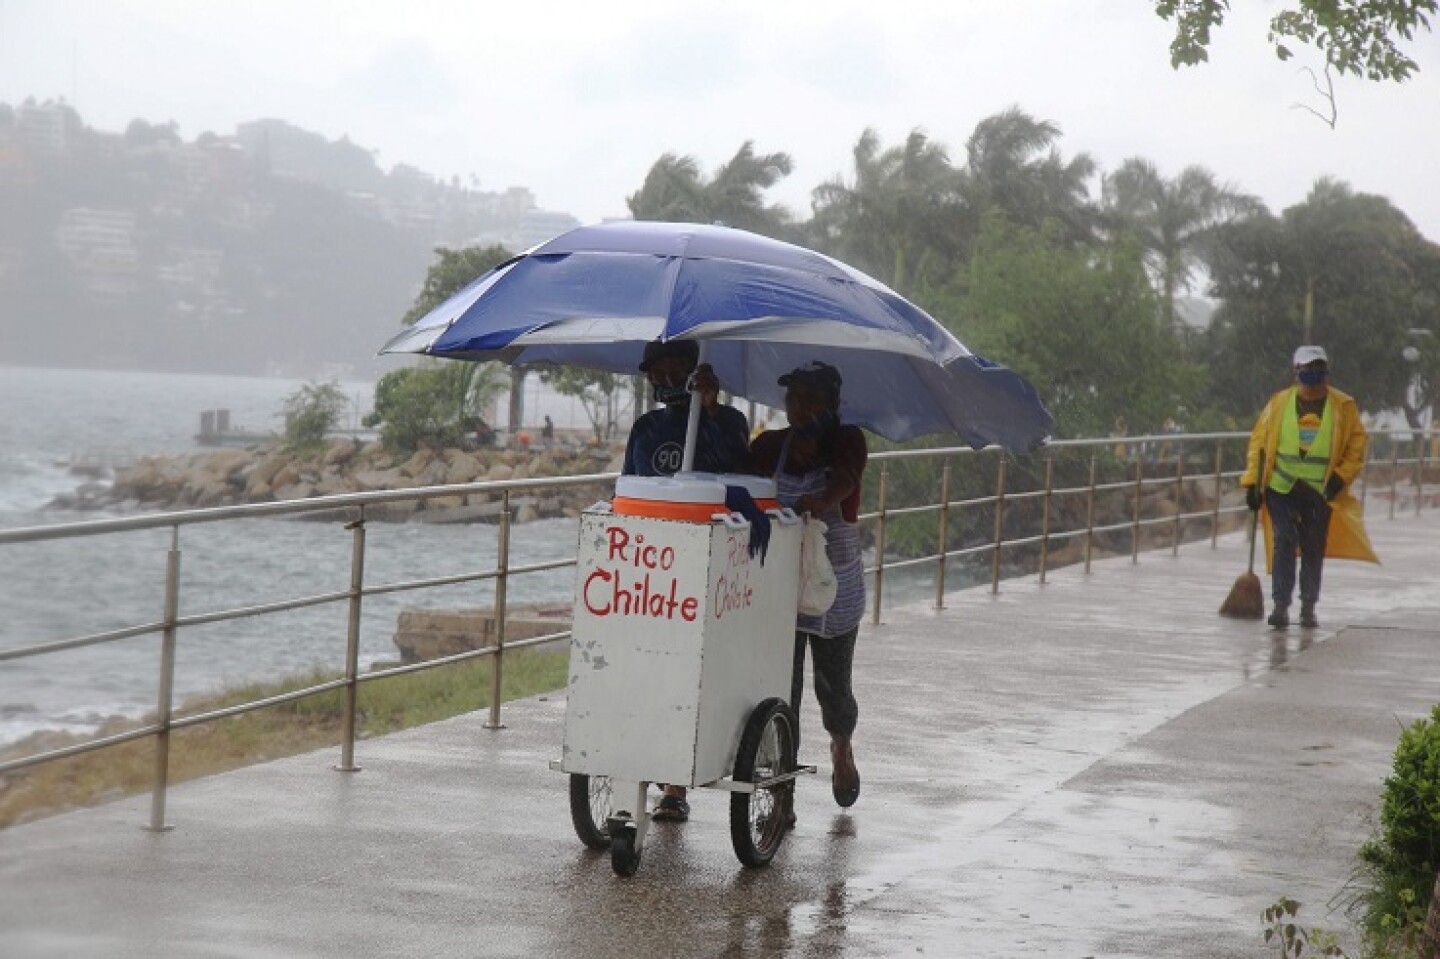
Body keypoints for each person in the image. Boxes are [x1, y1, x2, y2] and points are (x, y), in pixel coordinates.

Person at [624, 339, 750, 824]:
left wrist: (711, 412)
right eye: (654, 371)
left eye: (671, 369)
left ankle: (675, 786)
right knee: (648, 667)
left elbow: (739, 476)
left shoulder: (730, 422)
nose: (661, 379)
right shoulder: (646, 427)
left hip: (709, 562)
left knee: (690, 669)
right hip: (653, 568)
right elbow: (630, 489)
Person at [747, 361, 867, 817]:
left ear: (831, 404)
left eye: (809, 398)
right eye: (793, 398)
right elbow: (743, 483)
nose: (798, 408)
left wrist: (816, 496)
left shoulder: (848, 442)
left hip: (834, 588)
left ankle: (841, 745)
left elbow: (844, 482)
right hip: (780, 587)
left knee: (833, 690)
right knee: (783, 692)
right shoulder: (772, 445)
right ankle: (783, 795)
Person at [1239, 345, 1376, 629]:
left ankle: (1308, 606)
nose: (1313, 375)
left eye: (1318, 369)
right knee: (1285, 540)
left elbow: (1356, 447)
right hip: (1282, 487)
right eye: (1307, 369)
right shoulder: (1278, 404)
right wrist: (1252, 483)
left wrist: (1341, 477)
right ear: (1296, 372)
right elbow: (1259, 444)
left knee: (1313, 547)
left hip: (1320, 490)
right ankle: (1280, 605)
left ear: (1325, 371)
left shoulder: (1343, 406)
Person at [622, 339, 750, 478]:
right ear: (650, 377)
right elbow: (625, 485)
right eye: (659, 373)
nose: (670, 380)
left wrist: (712, 409)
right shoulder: (644, 426)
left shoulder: (730, 420)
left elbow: (742, 472)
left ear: (697, 372)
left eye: (678, 370)